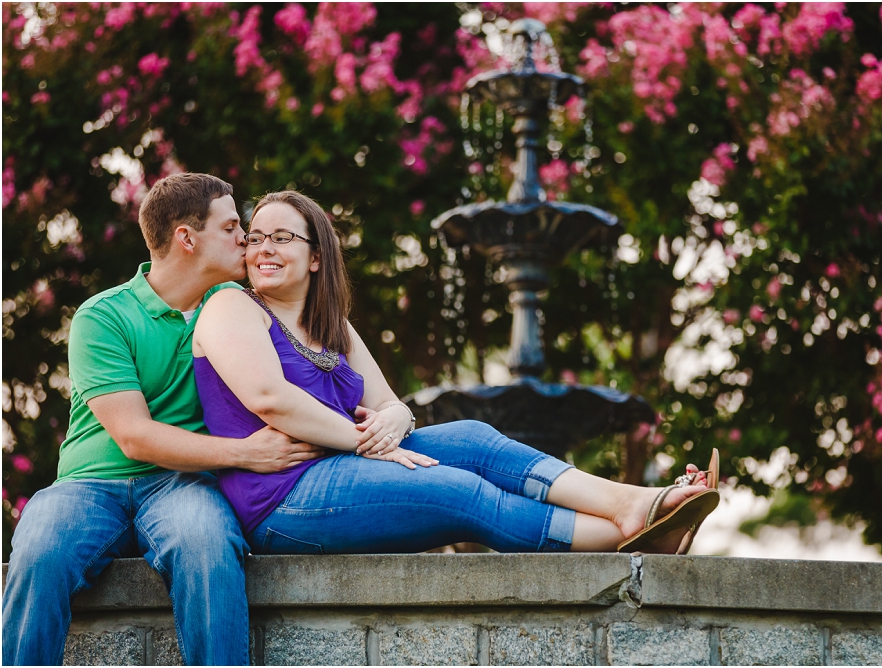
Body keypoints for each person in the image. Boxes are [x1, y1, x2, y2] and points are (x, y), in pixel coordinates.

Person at [193, 190, 720, 556]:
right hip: (281, 502)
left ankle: (630, 506)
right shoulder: (232, 306)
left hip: (343, 471)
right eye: (256, 237)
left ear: (315, 257)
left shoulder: (334, 327)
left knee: (475, 437)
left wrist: (392, 424)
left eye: (282, 237)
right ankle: (630, 533)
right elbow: (270, 398)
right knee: (456, 491)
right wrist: (368, 443)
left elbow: (393, 405)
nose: (263, 248)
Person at [1, 174, 325, 666]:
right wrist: (246, 454)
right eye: (233, 226)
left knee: (208, 547)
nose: (248, 239)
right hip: (90, 486)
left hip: (183, 485)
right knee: (40, 547)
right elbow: (134, 436)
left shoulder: (241, 315)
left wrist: (387, 413)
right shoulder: (103, 317)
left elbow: (314, 376)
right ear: (187, 238)